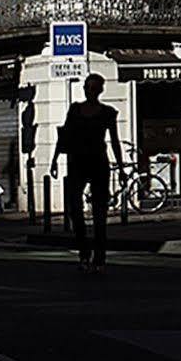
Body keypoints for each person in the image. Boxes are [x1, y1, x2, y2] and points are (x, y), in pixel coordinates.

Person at [52, 74, 124, 273]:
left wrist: (121, 166)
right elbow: (64, 134)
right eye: (87, 87)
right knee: (75, 208)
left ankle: (99, 257)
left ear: (100, 90)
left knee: (100, 213)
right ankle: (84, 252)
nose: (89, 91)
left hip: (99, 163)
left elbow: (115, 141)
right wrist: (55, 159)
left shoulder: (108, 113)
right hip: (77, 162)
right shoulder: (75, 109)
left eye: (93, 88)